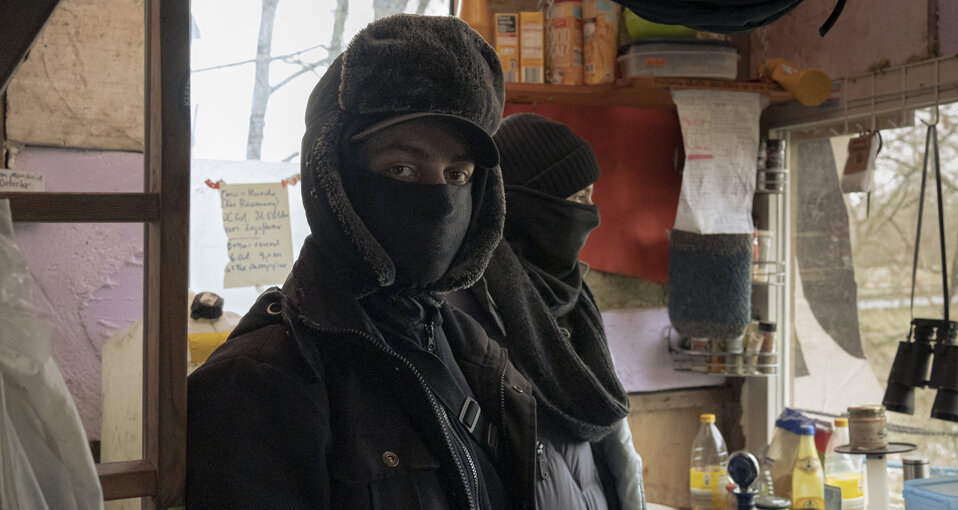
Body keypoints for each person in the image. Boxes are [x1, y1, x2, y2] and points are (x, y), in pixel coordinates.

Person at [187, 14, 532, 509]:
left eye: (456, 174)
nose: (437, 200)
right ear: (335, 177)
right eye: (401, 167)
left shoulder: (467, 347)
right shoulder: (259, 381)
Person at [449, 113, 645, 510]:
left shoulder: (573, 297)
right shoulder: (465, 305)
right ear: (524, 204)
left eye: (591, 195)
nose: (592, 214)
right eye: (577, 199)